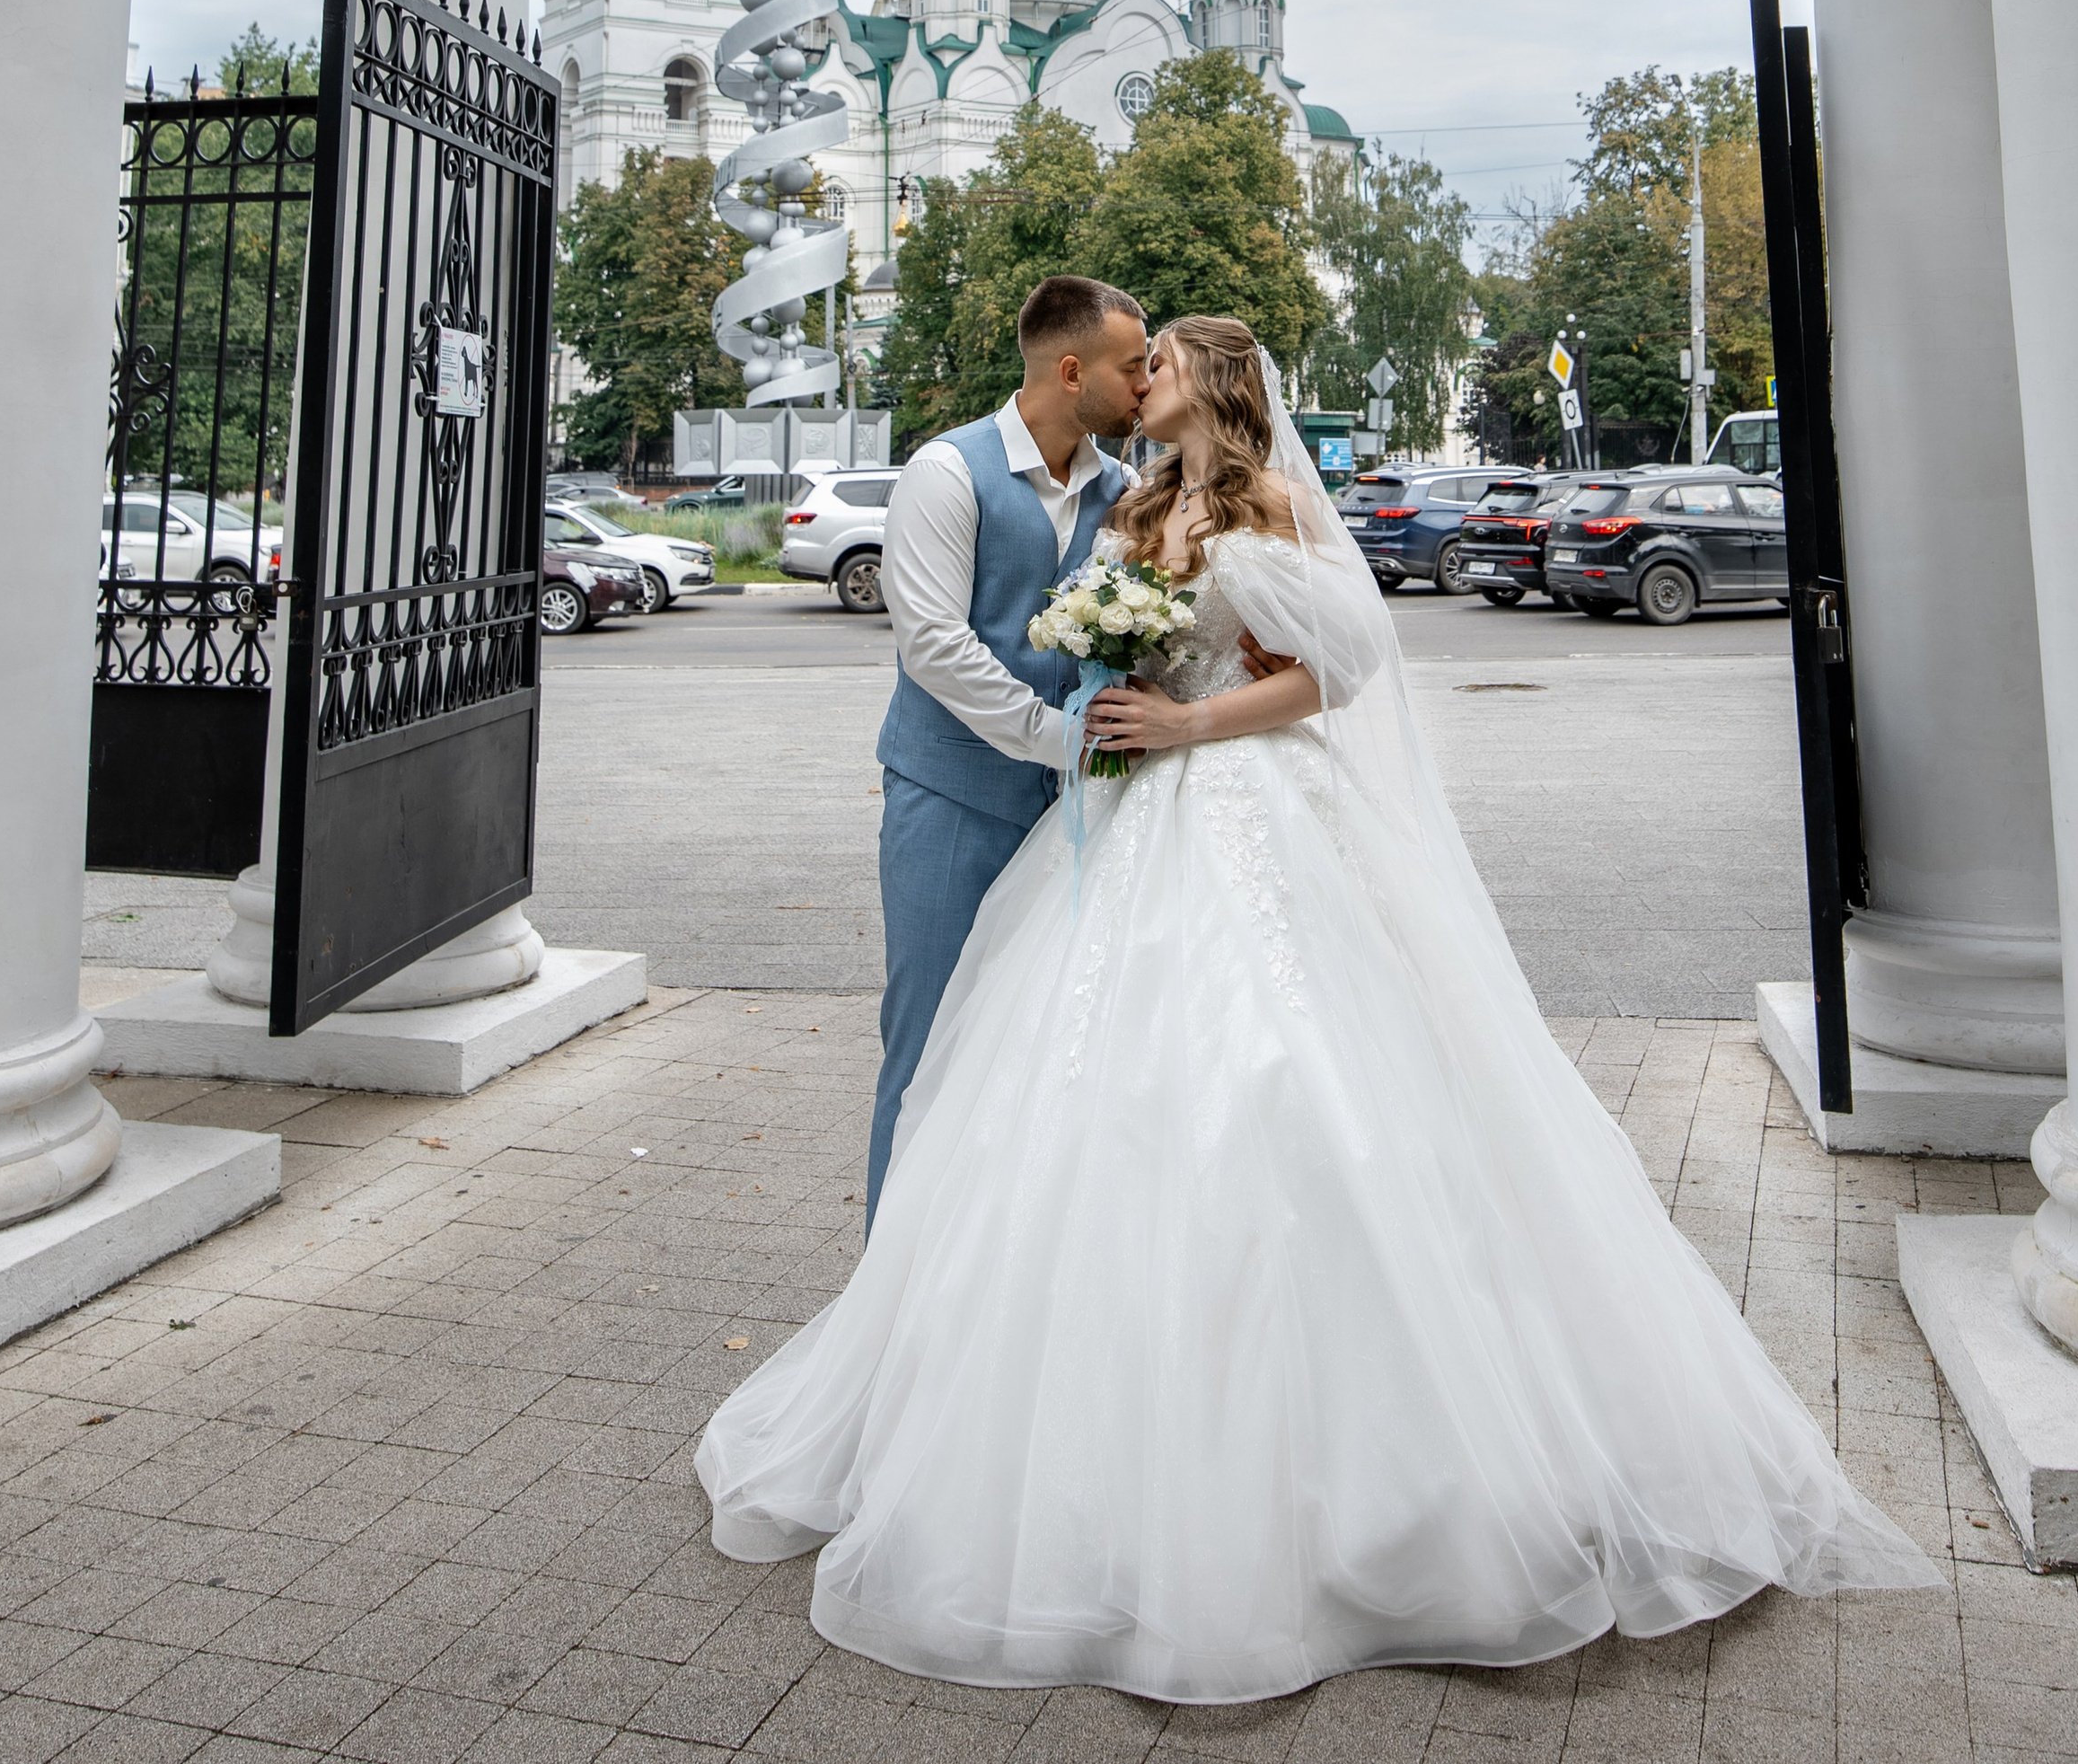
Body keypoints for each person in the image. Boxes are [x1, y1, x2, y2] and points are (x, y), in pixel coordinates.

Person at [698, 313, 1939, 1702]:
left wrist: (1180, 723)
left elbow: (1334, 674)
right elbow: (1078, 647)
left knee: (1289, 1082)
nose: (1140, 371)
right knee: (1062, 1086)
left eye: (1160, 358)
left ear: (1214, 384)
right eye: (1131, 356)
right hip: (1122, 819)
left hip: (1244, 806)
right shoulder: (1135, 497)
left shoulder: (1269, 502)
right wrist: (1120, 698)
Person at [858, 271, 1150, 1220]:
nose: (1145, 382)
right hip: (951, 801)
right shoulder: (946, 471)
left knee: (1039, 1049)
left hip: (1076, 817)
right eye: (1130, 365)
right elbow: (934, 644)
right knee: (929, 1039)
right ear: (1071, 371)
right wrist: (1054, 738)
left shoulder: (1128, 490)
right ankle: (887, 1299)